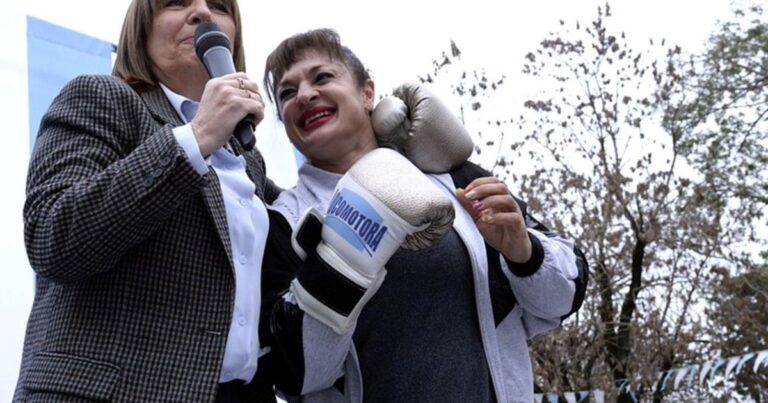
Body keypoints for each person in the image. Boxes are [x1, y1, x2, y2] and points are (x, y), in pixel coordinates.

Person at [259, 29, 590, 403]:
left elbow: (563, 299)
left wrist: (525, 252)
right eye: (287, 93)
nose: (304, 95)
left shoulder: (456, 178)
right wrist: (342, 260)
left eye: (322, 77)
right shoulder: (283, 223)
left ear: (367, 93)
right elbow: (291, 376)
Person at [14, 0, 280, 401]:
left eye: (219, 6)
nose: (202, 14)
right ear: (141, 29)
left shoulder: (248, 160)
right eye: (177, 3)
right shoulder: (101, 96)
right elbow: (54, 237)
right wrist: (198, 135)